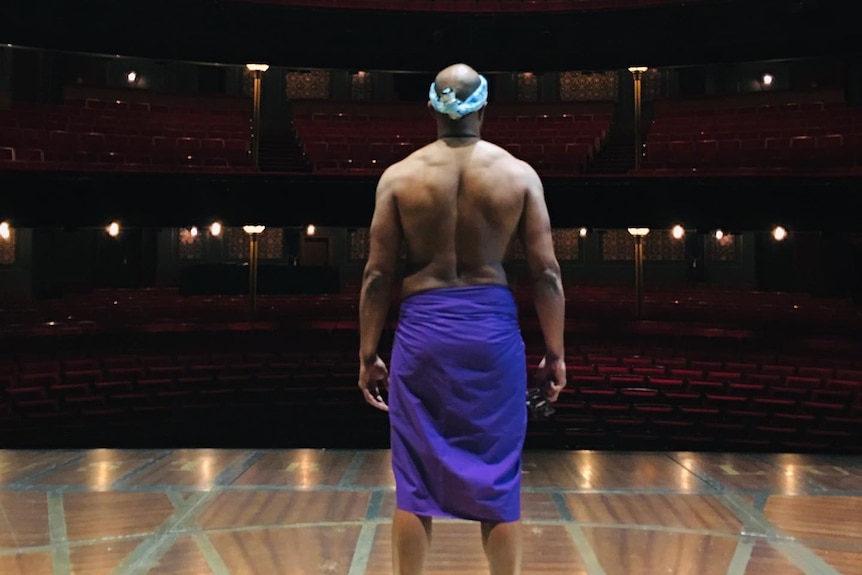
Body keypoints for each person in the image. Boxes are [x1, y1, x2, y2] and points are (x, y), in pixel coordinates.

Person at [358, 63, 566, 575]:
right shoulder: (519, 175)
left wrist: (367, 355)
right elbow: (547, 275)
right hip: (491, 334)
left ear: (430, 105)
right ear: (485, 106)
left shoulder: (399, 178)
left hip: (423, 332)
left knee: (414, 480)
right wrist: (556, 353)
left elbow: (377, 277)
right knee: (498, 475)